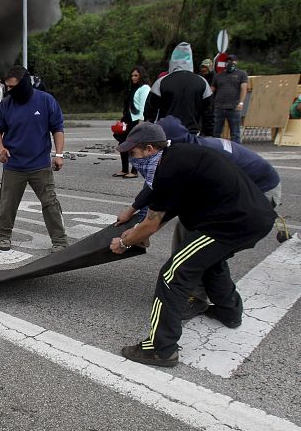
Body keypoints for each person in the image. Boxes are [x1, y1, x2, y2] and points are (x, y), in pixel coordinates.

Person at [110, 122, 275, 367]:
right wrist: (136, 220)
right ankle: (229, 311)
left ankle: (160, 349)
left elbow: (151, 224)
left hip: (231, 224)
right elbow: (161, 208)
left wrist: (124, 241)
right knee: (208, 261)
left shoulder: (168, 170)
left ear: (147, 149)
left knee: (173, 274)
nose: (131, 159)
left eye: (132, 153)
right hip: (251, 217)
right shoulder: (176, 157)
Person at [0, 66, 69, 254]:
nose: (9, 90)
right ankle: (3, 235)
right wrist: (0, 148)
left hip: (40, 165)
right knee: (7, 204)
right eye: (7, 87)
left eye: (12, 86)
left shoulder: (45, 100)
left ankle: (59, 240)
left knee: (50, 202)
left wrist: (59, 155)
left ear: (24, 83)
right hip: (14, 165)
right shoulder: (6, 105)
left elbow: (57, 128)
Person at [144, 42, 214, 136]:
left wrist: (149, 134)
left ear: (172, 60)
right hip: (191, 134)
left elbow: (150, 111)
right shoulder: (202, 82)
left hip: (166, 133)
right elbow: (209, 113)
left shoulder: (161, 82)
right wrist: (208, 134)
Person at [114, 66, 151, 178]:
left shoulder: (144, 88)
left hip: (137, 120)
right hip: (128, 118)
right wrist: (123, 118)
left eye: (136, 75)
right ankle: (124, 169)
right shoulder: (133, 88)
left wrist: (141, 121)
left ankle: (134, 171)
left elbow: (143, 106)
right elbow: (128, 106)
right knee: (122, 143)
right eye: (132, 75)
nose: (133, 78)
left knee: (135, 146)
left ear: (141, 76)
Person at [211, 55, 248, 144]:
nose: (229, 63)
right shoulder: (219, 75)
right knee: (216, 132)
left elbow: (244, 88)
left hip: (234, 107)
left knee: (235, 133)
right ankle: (216, 149)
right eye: (227, 61)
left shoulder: (241, 74)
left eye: (232, 61)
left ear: (236, 62)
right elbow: (212, 89)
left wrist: (241, 103)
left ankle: (236, 152)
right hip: (219, 107)